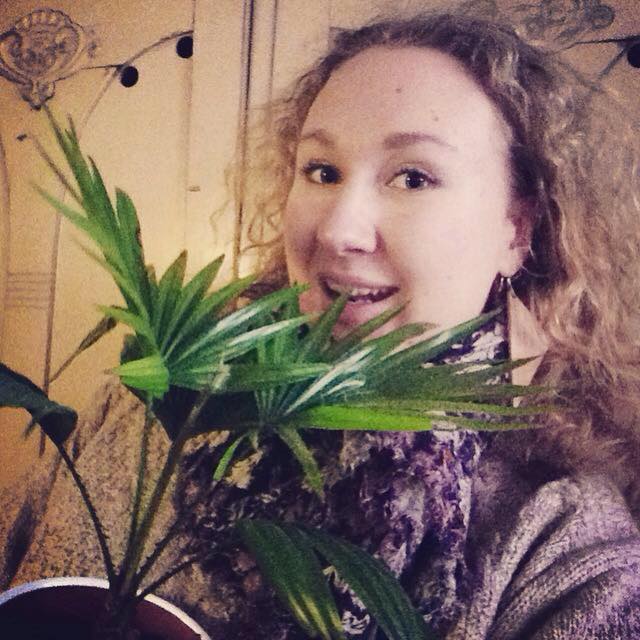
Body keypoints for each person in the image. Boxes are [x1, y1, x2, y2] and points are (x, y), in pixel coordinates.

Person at [2, 8, 640, 639]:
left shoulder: (560, 546)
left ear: (516, 230)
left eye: (413, 177)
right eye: (322, 171)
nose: (337, 230)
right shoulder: (152, 400)